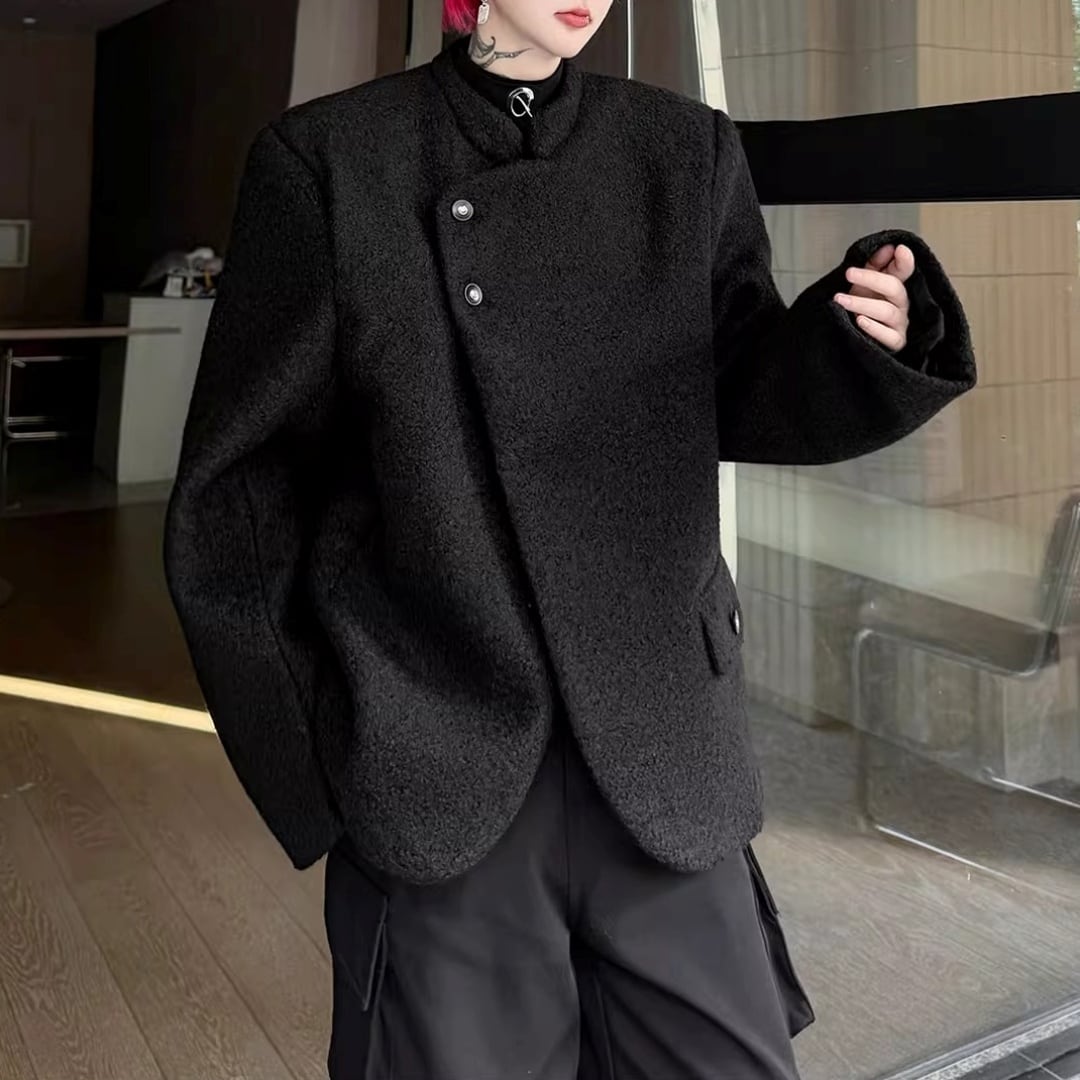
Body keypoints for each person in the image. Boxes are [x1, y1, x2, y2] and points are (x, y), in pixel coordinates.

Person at [163, 1, 976, 1077]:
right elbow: (240, 497)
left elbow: (737, 387)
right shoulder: (330, 161)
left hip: (660, 744)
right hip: (439, 750)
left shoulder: (683, 150)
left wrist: (857, 338)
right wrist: (322, 766)